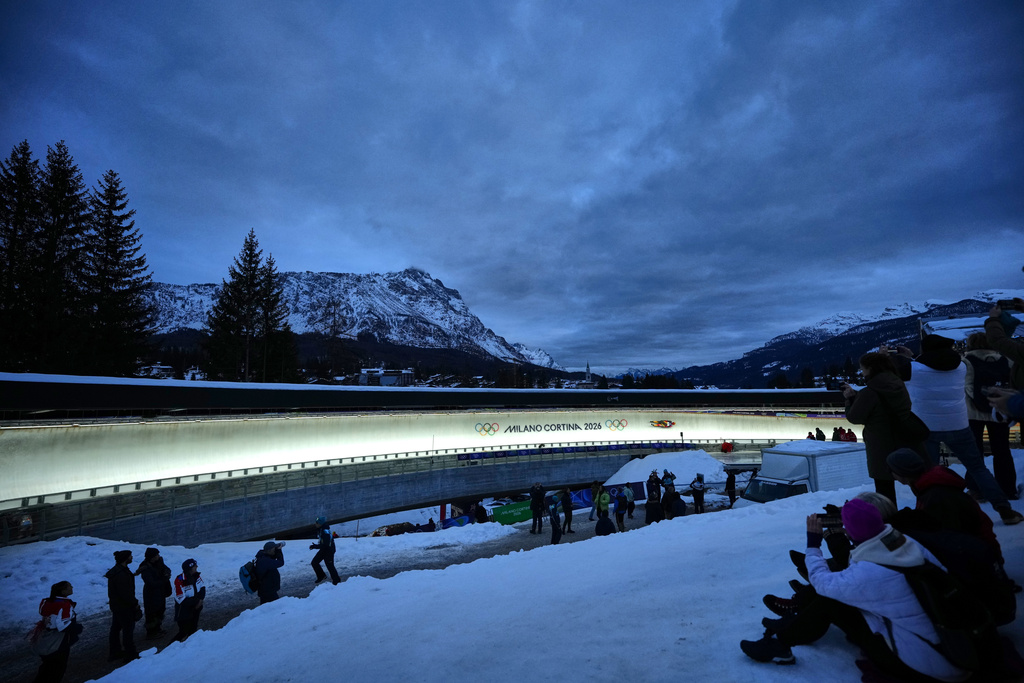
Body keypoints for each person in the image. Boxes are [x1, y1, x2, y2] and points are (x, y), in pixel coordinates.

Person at [740, 500, 968, 682]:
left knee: (830, 601)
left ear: (851, 532)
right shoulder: (905, 543)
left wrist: (813, 544)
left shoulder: (872, 573)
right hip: (956, 646)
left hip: (929, 664)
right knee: (837, 596)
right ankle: (791, 628)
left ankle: (781, 643)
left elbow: (822, 583)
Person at [898, 334, 1022, 525]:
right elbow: (934, 367)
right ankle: (1005, 510)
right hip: (959, 424)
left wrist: (905, 357)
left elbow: (913, 368)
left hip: (926, 428)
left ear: (925, 349)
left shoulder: (913, 369)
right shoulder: (961, 366)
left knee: (927, 474)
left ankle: (931, 515)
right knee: (978, 468)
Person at [842, 351, 927, 505]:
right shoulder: (898, 383)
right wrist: (859, 396)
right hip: (905, 439)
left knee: (884, 489)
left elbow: (855, 417)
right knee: (918, 483)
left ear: (871, 369)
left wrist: (849, 400)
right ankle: (928, 511)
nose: (862, 372)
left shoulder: (869, 392)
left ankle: (890, 522)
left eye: (862, 369)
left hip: (881, 446)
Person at [964, 331, 1017, 499]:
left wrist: (982, 401)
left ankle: (977, 489)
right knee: (1002, 451)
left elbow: (968, 386)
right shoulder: (1006, 361)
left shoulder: (966, 362)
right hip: (1000, 412)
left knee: (975, 453)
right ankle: (1008, 488)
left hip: (974, 414)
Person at [33, 581, 81, 683]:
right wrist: (78, 628)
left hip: (45, 639)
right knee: (57, 670)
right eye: (69, 586)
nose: (72, 587)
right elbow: (63, 625)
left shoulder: (47, 602)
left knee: (46, 668)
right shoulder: (64, 605)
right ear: (63, 591)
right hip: (59, 642)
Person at [104, 549, 139, 664]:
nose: (132, 558)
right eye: (130, 556)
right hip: (124, 607)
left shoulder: (117, 571)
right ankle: (130, 654)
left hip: (117, 606)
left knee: (115, 629)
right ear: (126, 558)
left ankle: (115, 652)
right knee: (128, 630)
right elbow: (125, 593)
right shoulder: (121, 574)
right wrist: (134, 603)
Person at [134, 547, 171, 639]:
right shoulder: (145, 567)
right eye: (157, 555)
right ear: (152, 557)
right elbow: (150, 582)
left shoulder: (159, 562)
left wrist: (166, 573)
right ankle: (151, 632)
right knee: (152, 612)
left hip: (160, 591)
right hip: (151, 593)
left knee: (160, 609)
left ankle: (158, 628)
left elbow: (166, 569)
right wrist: (163, 580)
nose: (159, 556)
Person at [173, 558, 205, 642]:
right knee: (183, 633)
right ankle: (168, 651)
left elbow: (202, 587)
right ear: (190, 568)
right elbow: (180, 598)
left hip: (195, 608)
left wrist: (200, 600)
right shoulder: (179, 579)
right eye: (195, 566)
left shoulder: (197, 576)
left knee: (193, 630)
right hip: (184, 611)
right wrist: (197, 602)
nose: (197, 567)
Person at [310, 516, 342, 584]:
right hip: (324, 549)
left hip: (329, 550)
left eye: (317, 523)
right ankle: (321, 576)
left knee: (330, 566)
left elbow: (326, 544)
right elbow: (323, 543)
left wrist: (315, 546)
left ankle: (337, 581)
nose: (315, 524)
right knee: (314, 562)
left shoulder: (325, 531)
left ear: (320, 524)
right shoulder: (321, 529)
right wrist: (316, 546)